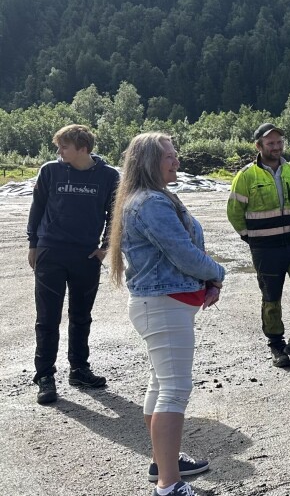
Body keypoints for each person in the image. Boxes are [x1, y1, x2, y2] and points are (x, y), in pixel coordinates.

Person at [108, 133, 225, 496]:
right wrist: (217, 273)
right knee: (174, 389)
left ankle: (164, 462)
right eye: (169, 157)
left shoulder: (148, 198)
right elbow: (184, 254)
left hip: (160, 304)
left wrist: (207, 280)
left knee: (160, 385)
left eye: (176, 155)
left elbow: (182, 254)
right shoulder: (151, 204)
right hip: (163, 305)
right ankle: (169, 485)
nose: (176, 162)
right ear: (147, 161)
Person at [27, 124, 120, 405]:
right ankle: (45, 377)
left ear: (82, 148)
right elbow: (37, 208)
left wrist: (106, 247)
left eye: (63, 146)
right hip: (51, 253)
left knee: (81, 316)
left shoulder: (108, 176)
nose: (58, 152)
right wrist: (34, 244)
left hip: (86, 257)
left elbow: (115, 214)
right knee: (47, 319)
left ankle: (79, 370)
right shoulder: (50, 171)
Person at [227, 123, 290, 368]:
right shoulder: (246, 176)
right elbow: (234, 212)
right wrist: (249, 238)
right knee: (272, 297)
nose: (276, 147)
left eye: (279, 142)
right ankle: (277, 346)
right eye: (270, 143)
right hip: (265, 249)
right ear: (259, 146)